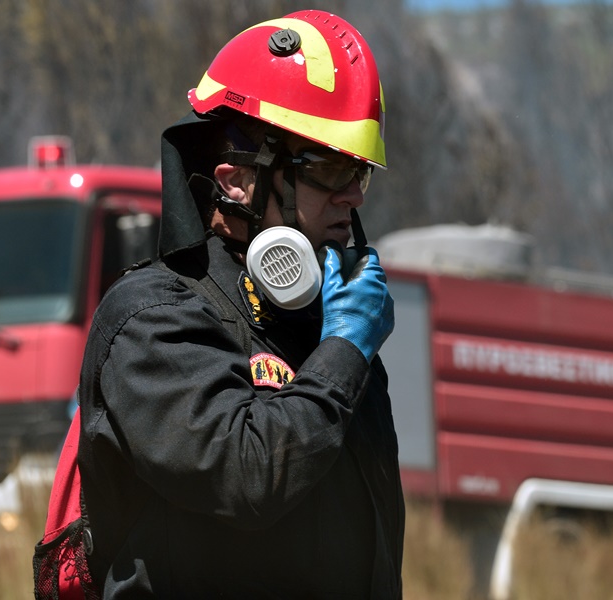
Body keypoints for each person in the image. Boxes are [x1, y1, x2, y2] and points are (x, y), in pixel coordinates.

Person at [76, 9, 404, 598]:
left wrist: (338, 349)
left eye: (360, 172)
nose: (353, 196)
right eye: (329, 168)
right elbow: (250, 475)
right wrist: (343, 353)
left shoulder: (325, 333)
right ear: (235, 180)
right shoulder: (152, 320)